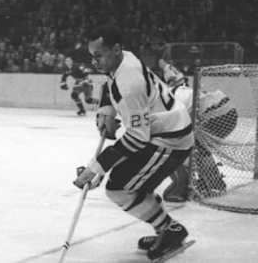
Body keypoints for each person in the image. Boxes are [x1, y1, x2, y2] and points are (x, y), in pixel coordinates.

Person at [73, 25, 194, 260]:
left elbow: (138, 137)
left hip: (169, 140)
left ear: (116, 49)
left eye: (99, 55)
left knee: (120, 188)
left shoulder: (129, 83)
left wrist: (97, 166)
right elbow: (111, 84)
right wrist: (107, 110)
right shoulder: (124, 59)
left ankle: (169, 230)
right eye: (92, 56)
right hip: (161, 133)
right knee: (128, 184)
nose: (95, 62)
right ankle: (165, 228)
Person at [158, 59, 235, 202]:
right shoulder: (180, 89)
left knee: (190, 147)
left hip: (215, 113)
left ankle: (211, 182)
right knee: (198, 146)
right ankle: (213, 181)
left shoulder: (167, 99)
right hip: (228, 109)